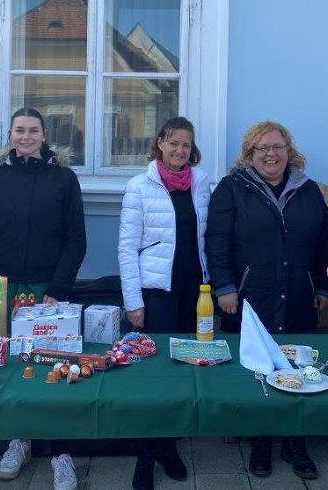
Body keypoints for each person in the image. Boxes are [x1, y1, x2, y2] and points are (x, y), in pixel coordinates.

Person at [206, 121, 328, 481]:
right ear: (250, 153)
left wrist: (323, 287)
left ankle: (296, 444)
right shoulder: (232, 189)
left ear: (289, 152)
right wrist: (225, 287)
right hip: (249, 296)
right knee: (258, 367)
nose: (271, 154)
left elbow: (323, 241)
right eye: (262, 148)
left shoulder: (307, 191)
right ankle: (261, 443)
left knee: (298, 366)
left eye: (278, 147)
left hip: (298, 297)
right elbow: (216, 241)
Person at [0, 107, 86, 489]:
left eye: (32, 130)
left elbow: (75, 239)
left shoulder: (63, 179)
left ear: (43, 135)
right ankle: (17, 441)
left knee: (52, 367)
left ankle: (61, 453)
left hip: (45, 290)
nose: (25, 137)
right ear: (10, 134)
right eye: (19, 130)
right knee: (11, 368)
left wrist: (58, 289)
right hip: (2, 291)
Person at [118, 116, 211, 490]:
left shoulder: (202, 184)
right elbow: (126, 247)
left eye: (186, 145)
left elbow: (208, 238)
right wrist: (133, 302)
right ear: (159, 143)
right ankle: (146, 456)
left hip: (195, 294)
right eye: (173, 143)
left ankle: (169, 447)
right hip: (157, 294)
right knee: (155, 376)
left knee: (185, 369)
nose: (179, 151)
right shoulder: (140, 186)